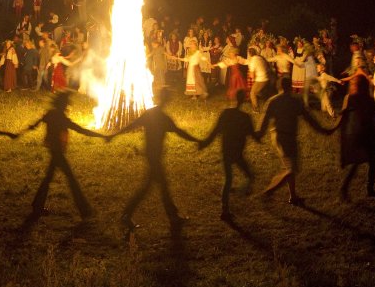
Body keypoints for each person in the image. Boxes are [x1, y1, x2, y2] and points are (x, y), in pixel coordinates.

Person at [109, 87, 198, 231]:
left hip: (151, 155)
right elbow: (179, 132)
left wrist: (114, 135)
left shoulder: (151, 114)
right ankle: (129, 215)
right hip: (154, 156)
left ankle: (172, 217)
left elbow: (132, 125)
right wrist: (197, 140)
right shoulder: (162, 118)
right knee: (155, 188)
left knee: (158, 187)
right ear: (166, 99)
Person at [25, 92, 106, 220]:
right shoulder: (61, 118)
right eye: (66, 103)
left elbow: (37, 123)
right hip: (58, 153)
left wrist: (24, 131)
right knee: (71, 180)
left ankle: (37, 205)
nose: (68, 105)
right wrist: (102, 136)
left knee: (49, 178)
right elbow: (81, 130)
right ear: (63, 104)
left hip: (53, 150)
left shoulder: (51, 113)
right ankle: (84, 210)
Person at [255, 77, 331, 205]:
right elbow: (309, 119)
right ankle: (268, 191)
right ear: (290, 87)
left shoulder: (272, 101)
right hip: (287, 137)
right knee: (291, 169)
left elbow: (264, 122)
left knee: (290, 166)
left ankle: (293, 197)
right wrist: (323, 130)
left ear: (279, 87)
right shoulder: (295, 101)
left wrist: (258, 135)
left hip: (278, 136)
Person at [199, 89, 256, 221]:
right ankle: (238, 194)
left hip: (227, 151)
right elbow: (254, 135)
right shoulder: (245, 117)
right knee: (249, 176)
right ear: (244, 99)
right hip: (237, 153)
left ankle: (226, 209)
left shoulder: (226, 113)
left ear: (235, 98)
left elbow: (215, 131)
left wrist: (205, 143)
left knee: (229, 179)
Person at [328, 74, 375, 201]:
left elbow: (343, 115)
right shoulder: (369, 99)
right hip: (367, 133)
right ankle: (369, 188)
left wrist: (334, 128)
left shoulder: (349, 98)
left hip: (356, 133)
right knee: (372, 162)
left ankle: (345, 188)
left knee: (357, 163)